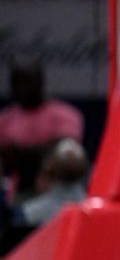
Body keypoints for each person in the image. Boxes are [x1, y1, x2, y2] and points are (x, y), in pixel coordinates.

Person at [0, 59, 84, 197]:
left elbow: (64, 156)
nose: (24, 88)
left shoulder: (66, 114)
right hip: (15, 194)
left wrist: (18, 152)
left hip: (57, 195)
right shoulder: (5, 119)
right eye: (18, 83)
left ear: (40, 82)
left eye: (29, 82)